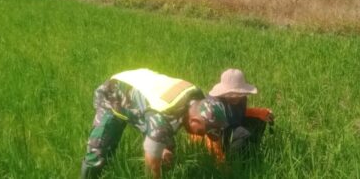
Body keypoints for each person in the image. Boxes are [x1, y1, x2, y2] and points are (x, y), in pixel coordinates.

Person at [80, 68, 273, 178]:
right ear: (194, 120)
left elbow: (178, 122)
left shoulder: (197, 98)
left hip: (147, 99)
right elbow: (151, 163)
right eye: (204, 131)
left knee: (168, 152)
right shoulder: (161, 122)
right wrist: (156, 165)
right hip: (115, 94)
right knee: (99, 151)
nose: (205, 135)